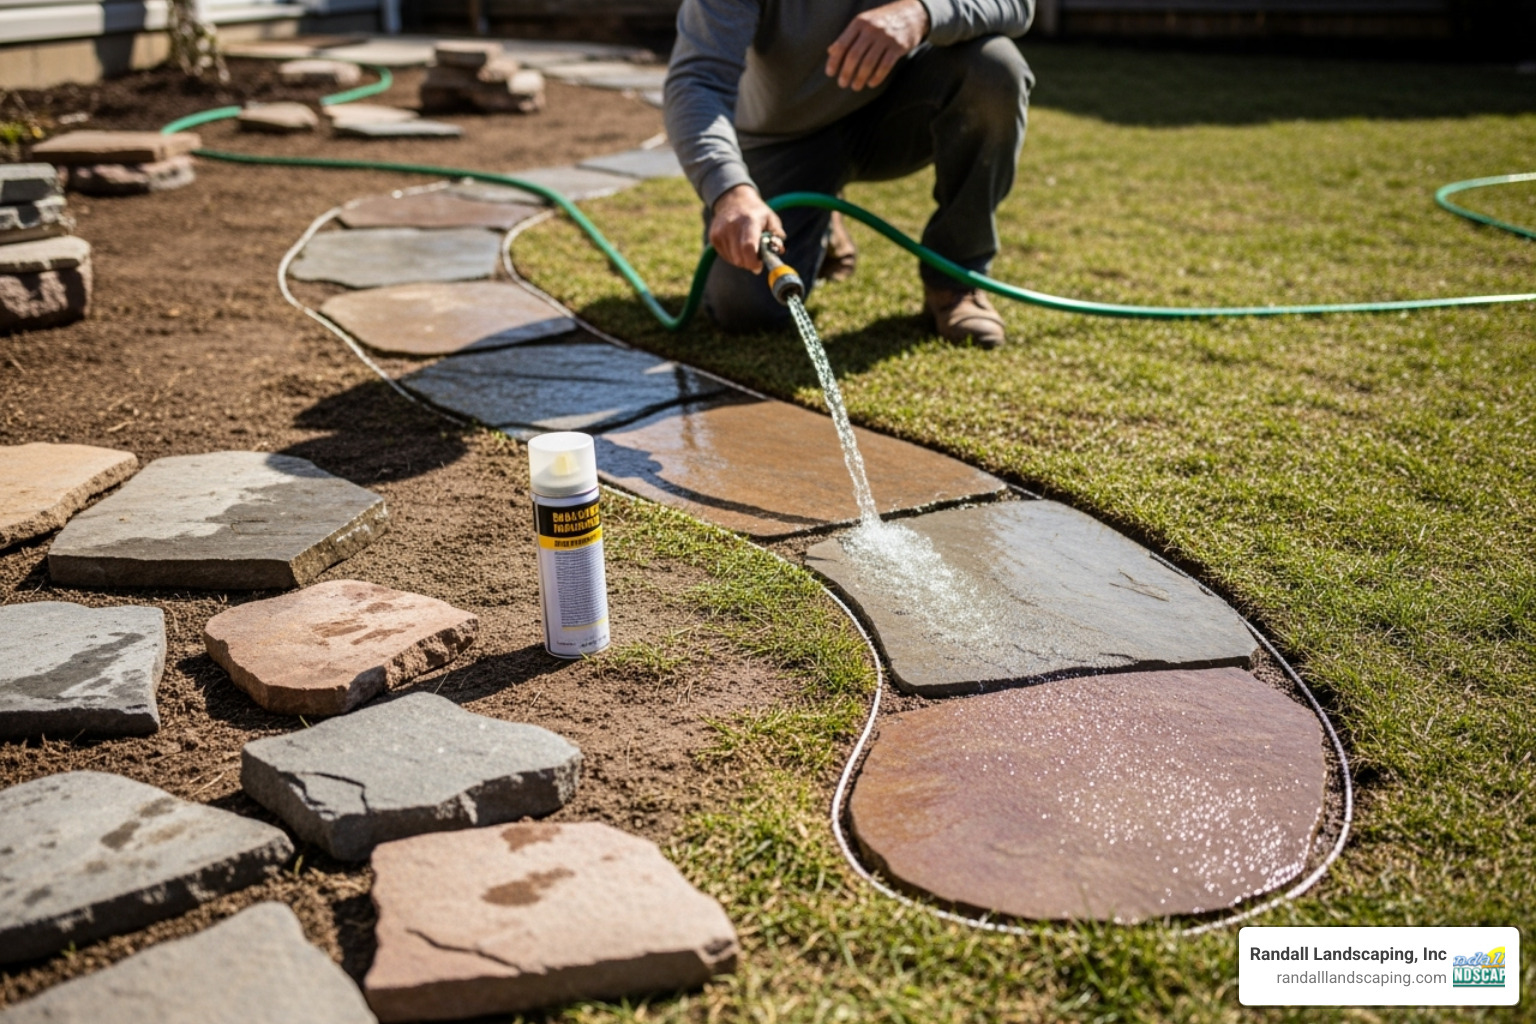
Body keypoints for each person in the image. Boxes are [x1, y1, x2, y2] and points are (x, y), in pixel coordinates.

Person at [664, 0, 1034, 348]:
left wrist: (922, 11)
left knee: (995, 69)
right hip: (782, 138)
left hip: (896, 109)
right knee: (747, 310)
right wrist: (730, 190)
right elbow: (698, 81)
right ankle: (822, 213)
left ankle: (955, 280)